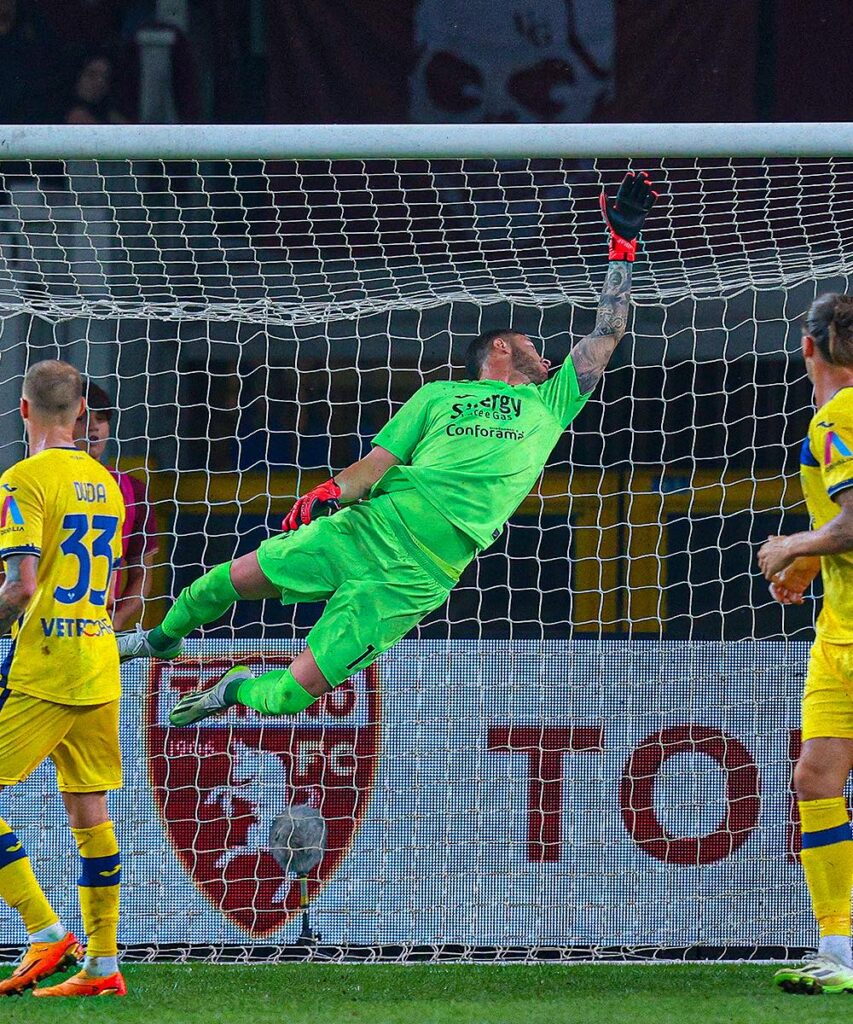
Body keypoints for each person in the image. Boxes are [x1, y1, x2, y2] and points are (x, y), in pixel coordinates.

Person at [118, 171, 658, 729]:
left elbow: (607, 333)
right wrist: (333, 489)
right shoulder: (439, 395)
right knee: (221, 584)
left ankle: (232, 691)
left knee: (288, 699)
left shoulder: (553, 401)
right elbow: (377, 466)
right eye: (531, 344)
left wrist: (622, 248)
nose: (545, 355)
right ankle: (160, 641)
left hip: (418, 576)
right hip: (368, 526)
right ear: (501, 346)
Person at [0, 361, 126, 997]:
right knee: (89, 807)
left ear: (22, 411)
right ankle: (102, 965)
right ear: (82, 413)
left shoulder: (21, 480)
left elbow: (21, 588)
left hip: (47, 665)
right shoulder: (107, 483)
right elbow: (105, 582)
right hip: (99, 660)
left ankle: (46, 931)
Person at [758, 294, 853, 995]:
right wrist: (808, 563)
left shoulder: (839, 415)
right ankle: (838, 951)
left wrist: (790, 543)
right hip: (837, 633)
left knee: (817, 782)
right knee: (814, 781)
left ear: (806, 347)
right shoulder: (830, 421)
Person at [73, 379, 159, 631]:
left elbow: (141, 573)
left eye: (101, 418)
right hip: (42, 630)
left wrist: (118, 619)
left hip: (99, 632)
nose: (93, 427)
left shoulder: (132, 490)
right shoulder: (37, 482)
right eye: (81, 419)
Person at [65, 52, 128, 126]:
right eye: (92, 75)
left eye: (105, 78)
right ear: (78, 77)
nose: (99, 83)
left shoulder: (111, 114)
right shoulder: (75, 115)